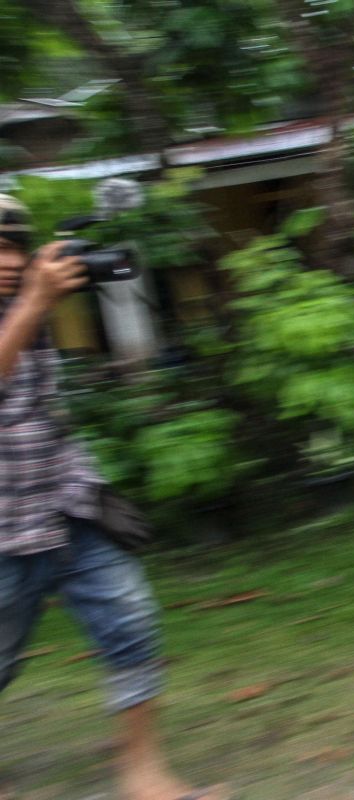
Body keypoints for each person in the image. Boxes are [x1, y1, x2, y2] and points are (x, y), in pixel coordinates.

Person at [0, 195, 226, 800]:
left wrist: (66, 262)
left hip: (66, 501)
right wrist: (35, 300)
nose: (5, 260)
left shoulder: (26, 297)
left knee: (131, 623)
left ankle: (142, 774)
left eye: (13, 246)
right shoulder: (30, 302)